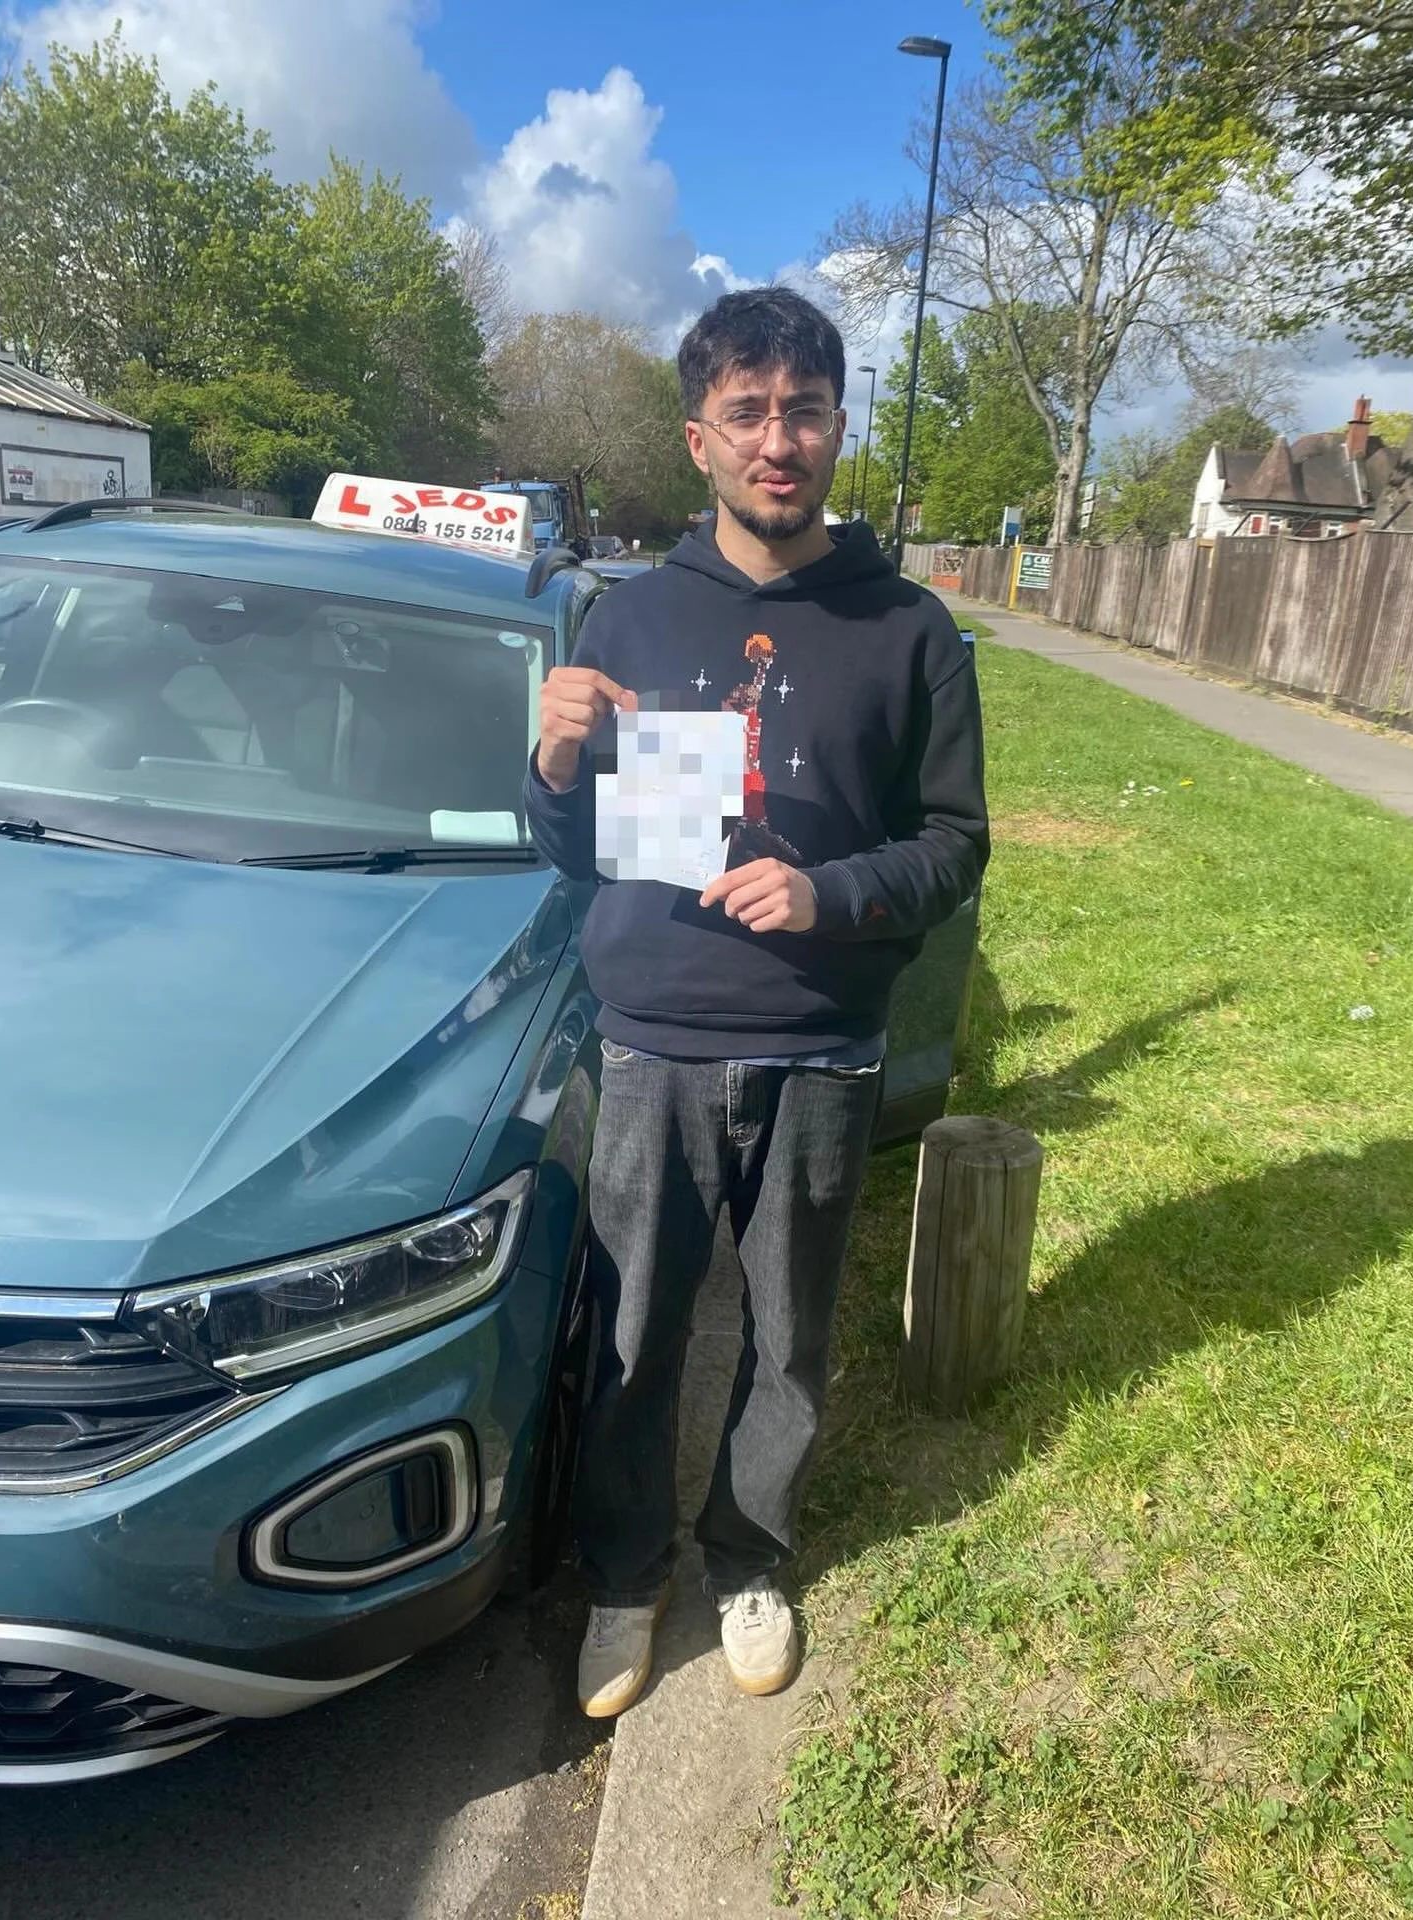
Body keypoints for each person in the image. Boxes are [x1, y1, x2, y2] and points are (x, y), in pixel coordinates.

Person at [523, 286, 989, 1718]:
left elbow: (954, 845)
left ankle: (749, 1559)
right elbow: (577, 850)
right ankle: (624, 1576)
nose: (777, 441)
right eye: (748, 414)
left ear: (838, 428)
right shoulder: (630, 613)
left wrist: (829, 893)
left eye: (804, 411)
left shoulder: (909, 629)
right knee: (630, 1334)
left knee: (788, 1338)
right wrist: (550, 767)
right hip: (655, 1042)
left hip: (821, 1048)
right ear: (700, 439)